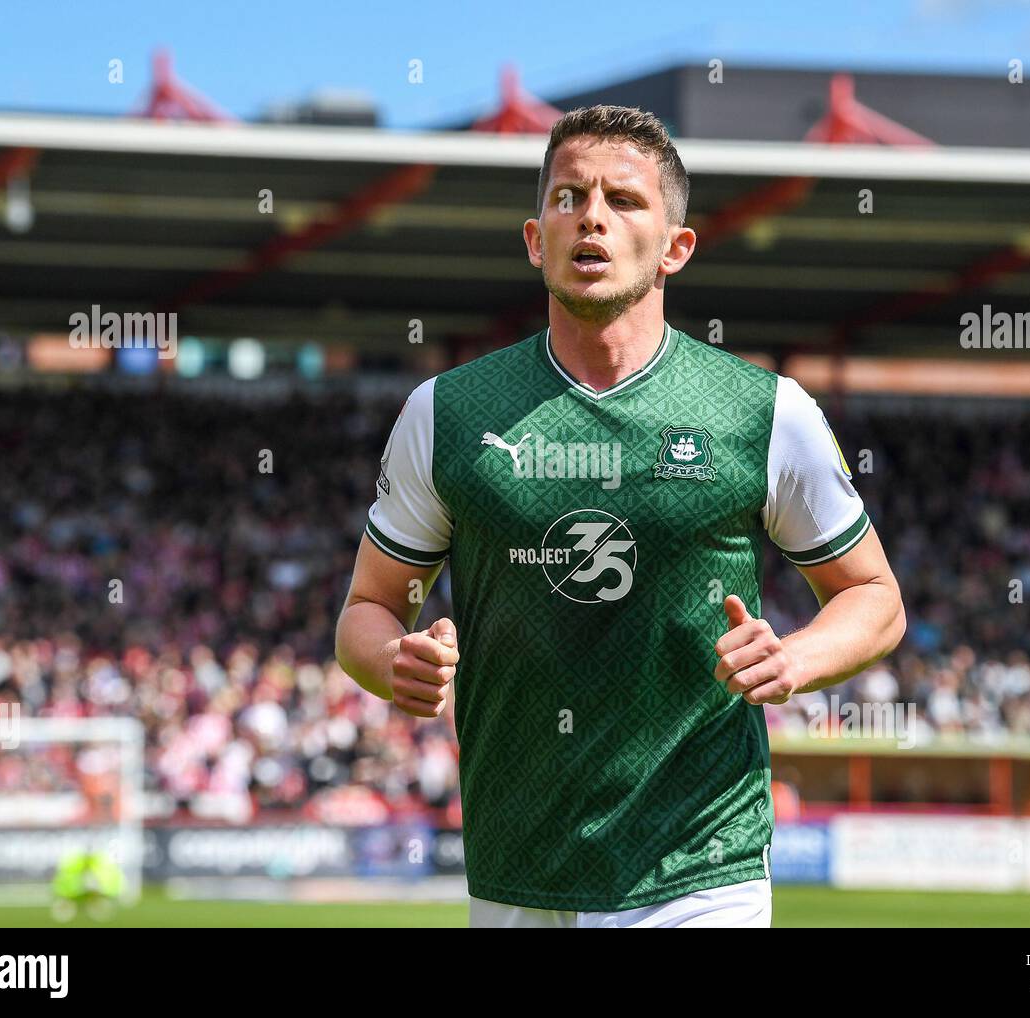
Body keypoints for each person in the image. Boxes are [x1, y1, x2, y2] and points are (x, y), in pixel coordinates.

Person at [336, 105, 905, 928]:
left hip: (700, 867)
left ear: (676, 247)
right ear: (537, 240)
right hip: (515, 868)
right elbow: (367, 608)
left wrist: (793, 658)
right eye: (568, 197)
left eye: (624, 200)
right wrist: (396, 661)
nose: (591, 216)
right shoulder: (446, 413)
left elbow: (875, 598)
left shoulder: (764, 412)